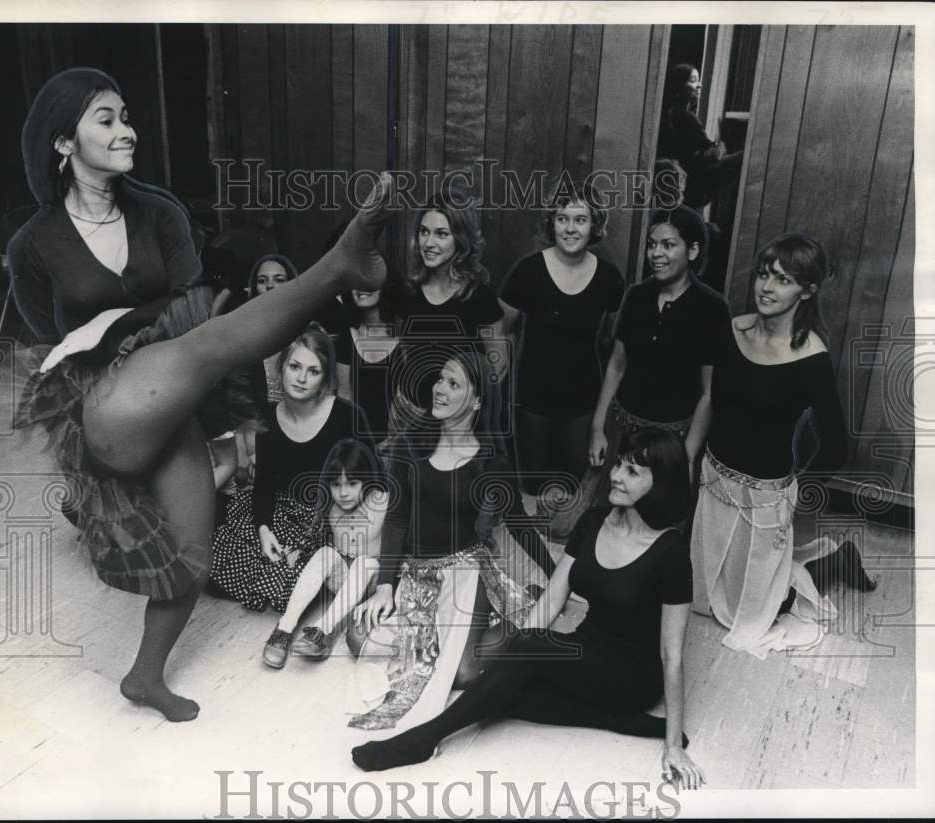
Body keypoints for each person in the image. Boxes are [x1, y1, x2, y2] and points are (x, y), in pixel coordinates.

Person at [7, 67, 391, 722]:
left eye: (127, 116)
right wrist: (103, 337)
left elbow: (191, 316)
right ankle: (338, 267)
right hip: (104, 404)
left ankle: (145, 674)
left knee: (190, 557)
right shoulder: (32, 245)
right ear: (63, 141)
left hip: (171, 390)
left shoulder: (160, 213)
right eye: (106, 118)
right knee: (201, 347)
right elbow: (52, 343)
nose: (126, 129)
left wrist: (115, 325)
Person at [350, 428, 705, 791]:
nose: (615, 475)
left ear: (660, 482)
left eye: (632, 471)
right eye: (618, 464)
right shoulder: (594, 521)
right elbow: (552, 599)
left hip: (632, 675)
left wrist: (673, 746)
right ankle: (625, 723)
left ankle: (425, 739)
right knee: (506, 695)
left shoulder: (672, 554)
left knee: (506, 679)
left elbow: (670, 654)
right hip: (586, 647)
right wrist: (522, 649)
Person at [345, 349, 555, 733]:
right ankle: (446, 633)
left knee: (465, 672)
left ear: (476, 401)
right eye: (440, 379)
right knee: (358, 637)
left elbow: (519, 523)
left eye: (453, 383)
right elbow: (396, 517)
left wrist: (559, 578)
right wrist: (386, 585)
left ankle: (522, 613)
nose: (439, 389)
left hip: (466, 573)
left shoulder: (491, 461)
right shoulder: (412, 442)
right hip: (418, 575)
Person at [691, 233, 875, 657]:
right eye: (763, 275)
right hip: (714, 481)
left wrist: (793, 496)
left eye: (783, 280)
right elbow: (711, 402)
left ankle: (835, 560)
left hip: (766, 496)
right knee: (702, 600)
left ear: (807, 291)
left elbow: (836, 447)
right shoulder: (733, 330)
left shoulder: (811, 357)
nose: (766, 288)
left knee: (755, 615)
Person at [208, 325, 376, 657]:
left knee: (290, 582)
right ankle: (274, 569)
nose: (301, 378)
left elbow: (372, 478)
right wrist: (263, 528)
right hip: (281, 510)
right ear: (282, 368)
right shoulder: (268, 417)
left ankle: (295, 609)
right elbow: (266, 483)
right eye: (294, 367)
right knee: (218, 561)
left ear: (325, 378)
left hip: (327, 516)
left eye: (313, 371)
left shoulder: (346, 415)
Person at [577, 207, 729, 533]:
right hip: (624, 429)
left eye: (668, 245)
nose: (656, 253)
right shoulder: (637, 296)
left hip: (672, 441)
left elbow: (708, 393)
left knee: (656, 529)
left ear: (693, 250)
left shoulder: (712, 309)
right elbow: (617, 366)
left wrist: (686, 458)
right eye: (651, 244)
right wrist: (597, 427)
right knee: (609, 522)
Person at [497, 180, 624, 500]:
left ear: (594, 225)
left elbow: (613, 343)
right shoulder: (527, 271)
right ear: (551, 221)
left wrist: (598, 421)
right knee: (532, 491)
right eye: (562, 218)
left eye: (580, 220)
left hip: (583, 403)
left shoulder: (610, 279)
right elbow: (496, 332)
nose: (570, 228)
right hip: (532, 402)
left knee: (571, 493)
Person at [263, 438, 389, 665]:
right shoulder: (330, 505)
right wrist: (297, 550)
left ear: (366, 480)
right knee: (325, 553)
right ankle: (284, 628)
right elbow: (315, 534)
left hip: (373, 583)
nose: (343, 493)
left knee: (364, 563)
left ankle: (322, 631)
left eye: (352, 483)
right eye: (336, 484)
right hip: (344, 582)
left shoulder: (382, 501)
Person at [390, 188, 506, 431]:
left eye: (441, 234)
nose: (429, 243)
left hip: (459, 422)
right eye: (424, 232)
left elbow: (498, 364)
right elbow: (404, 351)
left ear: (461, 240)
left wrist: (466, 412)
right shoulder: (407, 291)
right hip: (412, 415)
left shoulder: (480, 297)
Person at [656, 63, 743, 210]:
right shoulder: (685, 117)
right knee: (744, 158)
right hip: (694, 182)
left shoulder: (665, 115)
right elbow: (713, 155)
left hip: (680, 183)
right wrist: (720, 145)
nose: (699, 85)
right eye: (693, 80)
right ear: (679, 86)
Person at [334, 276, 404, 447]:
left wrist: (392, 441)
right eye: (356, 282)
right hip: (356, 444)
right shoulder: (346, 336)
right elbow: (344, 396)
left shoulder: (404, 339)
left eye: (368, 281)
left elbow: (406, 402)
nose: (360, 287)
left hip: (396, 445)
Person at [245, 254, 300, 410]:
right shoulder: (245, 336)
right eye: (262, 281)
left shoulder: (308, 332)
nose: (270, 286)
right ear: (254, 288)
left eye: (279, 280)